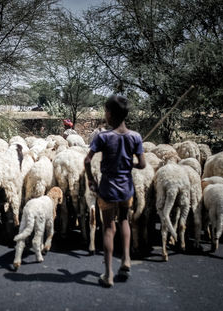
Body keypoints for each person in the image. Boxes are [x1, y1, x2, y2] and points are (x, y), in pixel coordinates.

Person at [84, 95, 146, 288]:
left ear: (109, 114)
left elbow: (87, 160)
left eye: (105, 111)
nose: (105, 115)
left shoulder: (103, 137)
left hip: (108, 188)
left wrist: (91, 179)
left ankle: (108, 274)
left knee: (109, 228)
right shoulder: (135, 137)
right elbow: (143, 164)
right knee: (125, 220)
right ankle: (126, 259)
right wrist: (129, 164)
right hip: (126, 187)